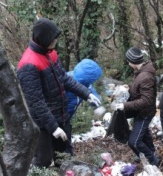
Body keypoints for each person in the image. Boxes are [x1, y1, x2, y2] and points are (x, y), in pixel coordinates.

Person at [17, 18, 101, 168]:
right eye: (52, 39)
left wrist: (86, 93)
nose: (55, 41)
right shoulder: (28, 64)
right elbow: (36, 101)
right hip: (43, 123)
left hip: (61, 115)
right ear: (43, 39)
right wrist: (53, 127)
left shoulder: (51, 54)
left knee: (65, 157)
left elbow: (64, 79)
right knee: (43, 160)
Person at [114, 47, 159, 166]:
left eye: (128, 61)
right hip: (139, 111)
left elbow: (146, 100)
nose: (128, 63)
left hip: (144, 113)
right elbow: (140, 90)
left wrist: (125, 105)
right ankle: (151, 153)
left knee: (134, 141)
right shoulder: (141, 72)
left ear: (132, 62)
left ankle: (153, 161)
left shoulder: (145, 76)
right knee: (144, 134)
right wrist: (129, 87)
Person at [66, 58, 103, 154]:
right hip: (56, 119)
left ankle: (65, 160)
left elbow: (91, 91)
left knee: (66, 145)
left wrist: (98, 105)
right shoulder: (66, 81)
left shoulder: (84, 83)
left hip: (67, 119)